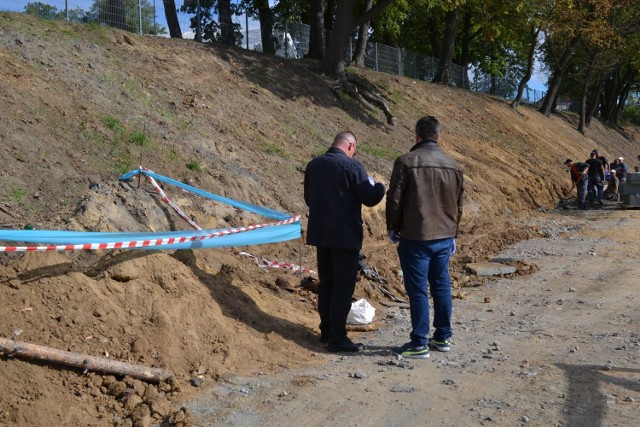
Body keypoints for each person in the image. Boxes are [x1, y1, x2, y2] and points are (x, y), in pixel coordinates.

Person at [386, 116, 464, 359]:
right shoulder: (454, 166)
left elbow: (395, 199)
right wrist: (454, 232)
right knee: (441, 286)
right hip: (445, 235)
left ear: (416, 135)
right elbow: (459, 204)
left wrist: (393, 227)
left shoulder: (406, 161)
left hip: (416, 236)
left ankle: (419, 343)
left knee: (418, 289)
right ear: (439, 137)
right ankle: (442, 337)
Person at [304, 131, 386, 352]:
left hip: (321, 235)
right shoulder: (352, 167)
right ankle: (338, 339)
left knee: (327, 284)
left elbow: (308, 198)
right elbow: (370, 198)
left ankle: (327, 332)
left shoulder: (314, 165)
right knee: (343, 287)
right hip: (345, 237)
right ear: (350, 146)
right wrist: (380, 186)